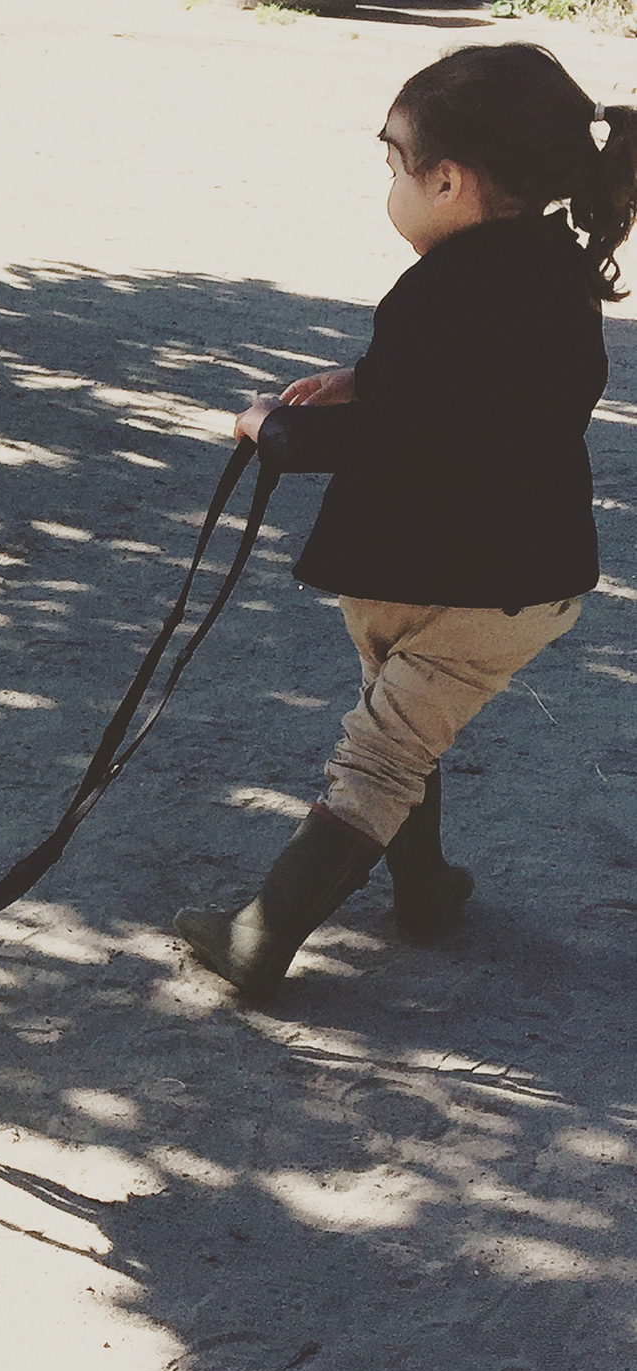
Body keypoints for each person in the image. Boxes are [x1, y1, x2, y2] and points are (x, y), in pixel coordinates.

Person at [174, 43, 637, 1005]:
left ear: (448, 179)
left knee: (381, 752)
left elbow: (408, 426)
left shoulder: (438, 286)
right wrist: (368, 378)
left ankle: (261, 935)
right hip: (503, 582)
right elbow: (482, 398)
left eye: (394, 163)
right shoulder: (555, 269)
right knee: (400, 730)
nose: (389, 181)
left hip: (442, 580)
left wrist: (277, 428)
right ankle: (422, 889)